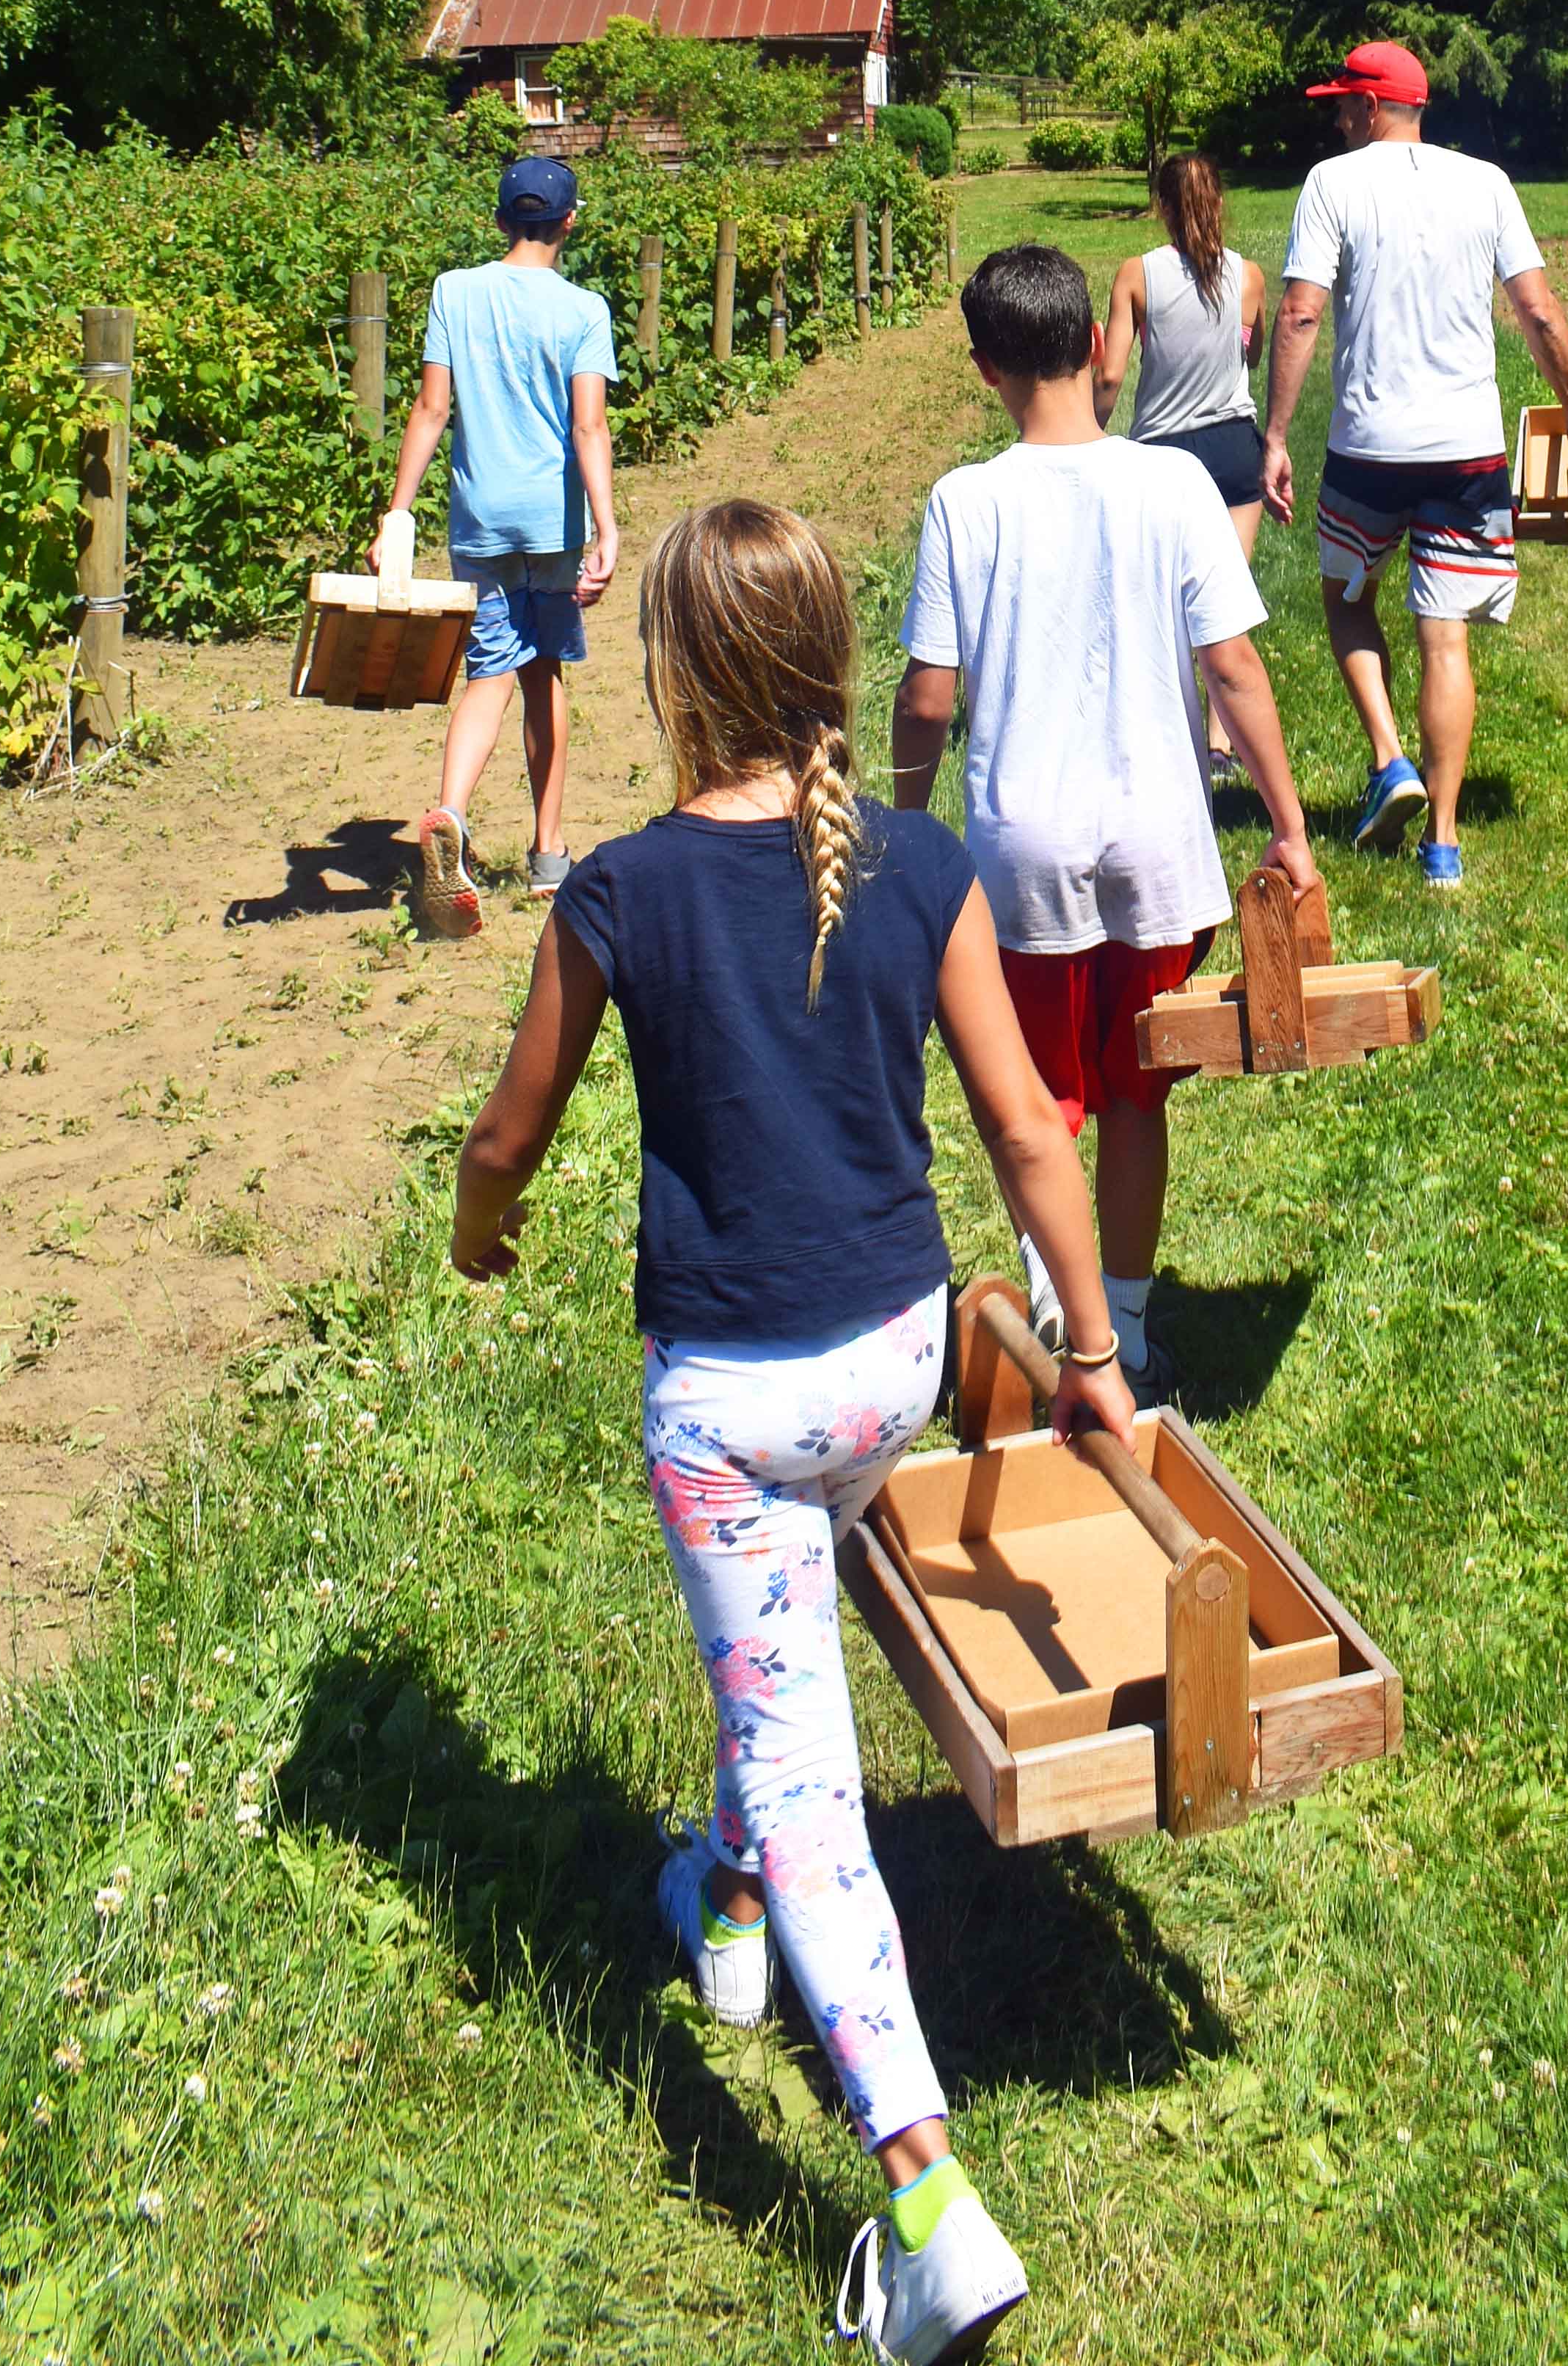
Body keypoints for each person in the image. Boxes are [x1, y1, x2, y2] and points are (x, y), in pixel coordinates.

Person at [452, 495, 1118, 2365]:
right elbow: (1025, 1130)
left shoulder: (621, 890)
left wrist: (475, 1230)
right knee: (773, 1676)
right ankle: (728, 1911)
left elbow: (510, 1132)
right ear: (826, 660)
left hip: (732, 1408)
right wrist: (1090, 1347)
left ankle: (923, 2201)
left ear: (671, 676)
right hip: (885, 1366)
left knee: (807, 1760)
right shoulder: (920, 861)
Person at [894, 242, 1321, 1406]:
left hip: (1016, 859)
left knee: (1028, 1106)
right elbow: (1232, 668)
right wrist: (1287, 827)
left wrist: (901, 823)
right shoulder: (1175, 486)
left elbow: (930, 696)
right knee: (1137, 1096)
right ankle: (1128, 1332)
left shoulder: (964, 502)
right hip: (1158, 845)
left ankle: (1056, 1305)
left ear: (984, 368)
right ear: (1097, 349)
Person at [1261, 40, 1568, 891]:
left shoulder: (1331, 185)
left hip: (1369, 449)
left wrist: (1274, 436)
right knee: (1444, 637)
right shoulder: (1485, 183)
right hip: (1467, 450)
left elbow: (1301, 315)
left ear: (1375, 107)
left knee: (1347, 598)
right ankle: (1443, 845)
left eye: (1344, 102)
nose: (1337, 115)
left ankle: (1390, 757)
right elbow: (1537, 309)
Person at [375, 153, 619, 941]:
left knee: (488, 672)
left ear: (500, 220)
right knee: (544, 672)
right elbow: (588, 426)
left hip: (479, 520)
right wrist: (607, 527)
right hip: (550, 524)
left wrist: (397, 513)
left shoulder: (455, 292)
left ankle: (450, 812)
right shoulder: (583, 310)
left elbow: (430, 407)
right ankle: (550, 856)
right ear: (569, 222)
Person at [1094, 152, 1265, 754]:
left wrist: (1090, 431)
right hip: (1234, 451)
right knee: (1226, 604)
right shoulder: (1248, 277)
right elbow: (1251, 353)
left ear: (1161, 207)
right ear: (1219, 202)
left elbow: (1111, 375)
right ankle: (1222, 743)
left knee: (1157, 604)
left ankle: (1157, 731)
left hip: (1162, 453)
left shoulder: (1136, 275)